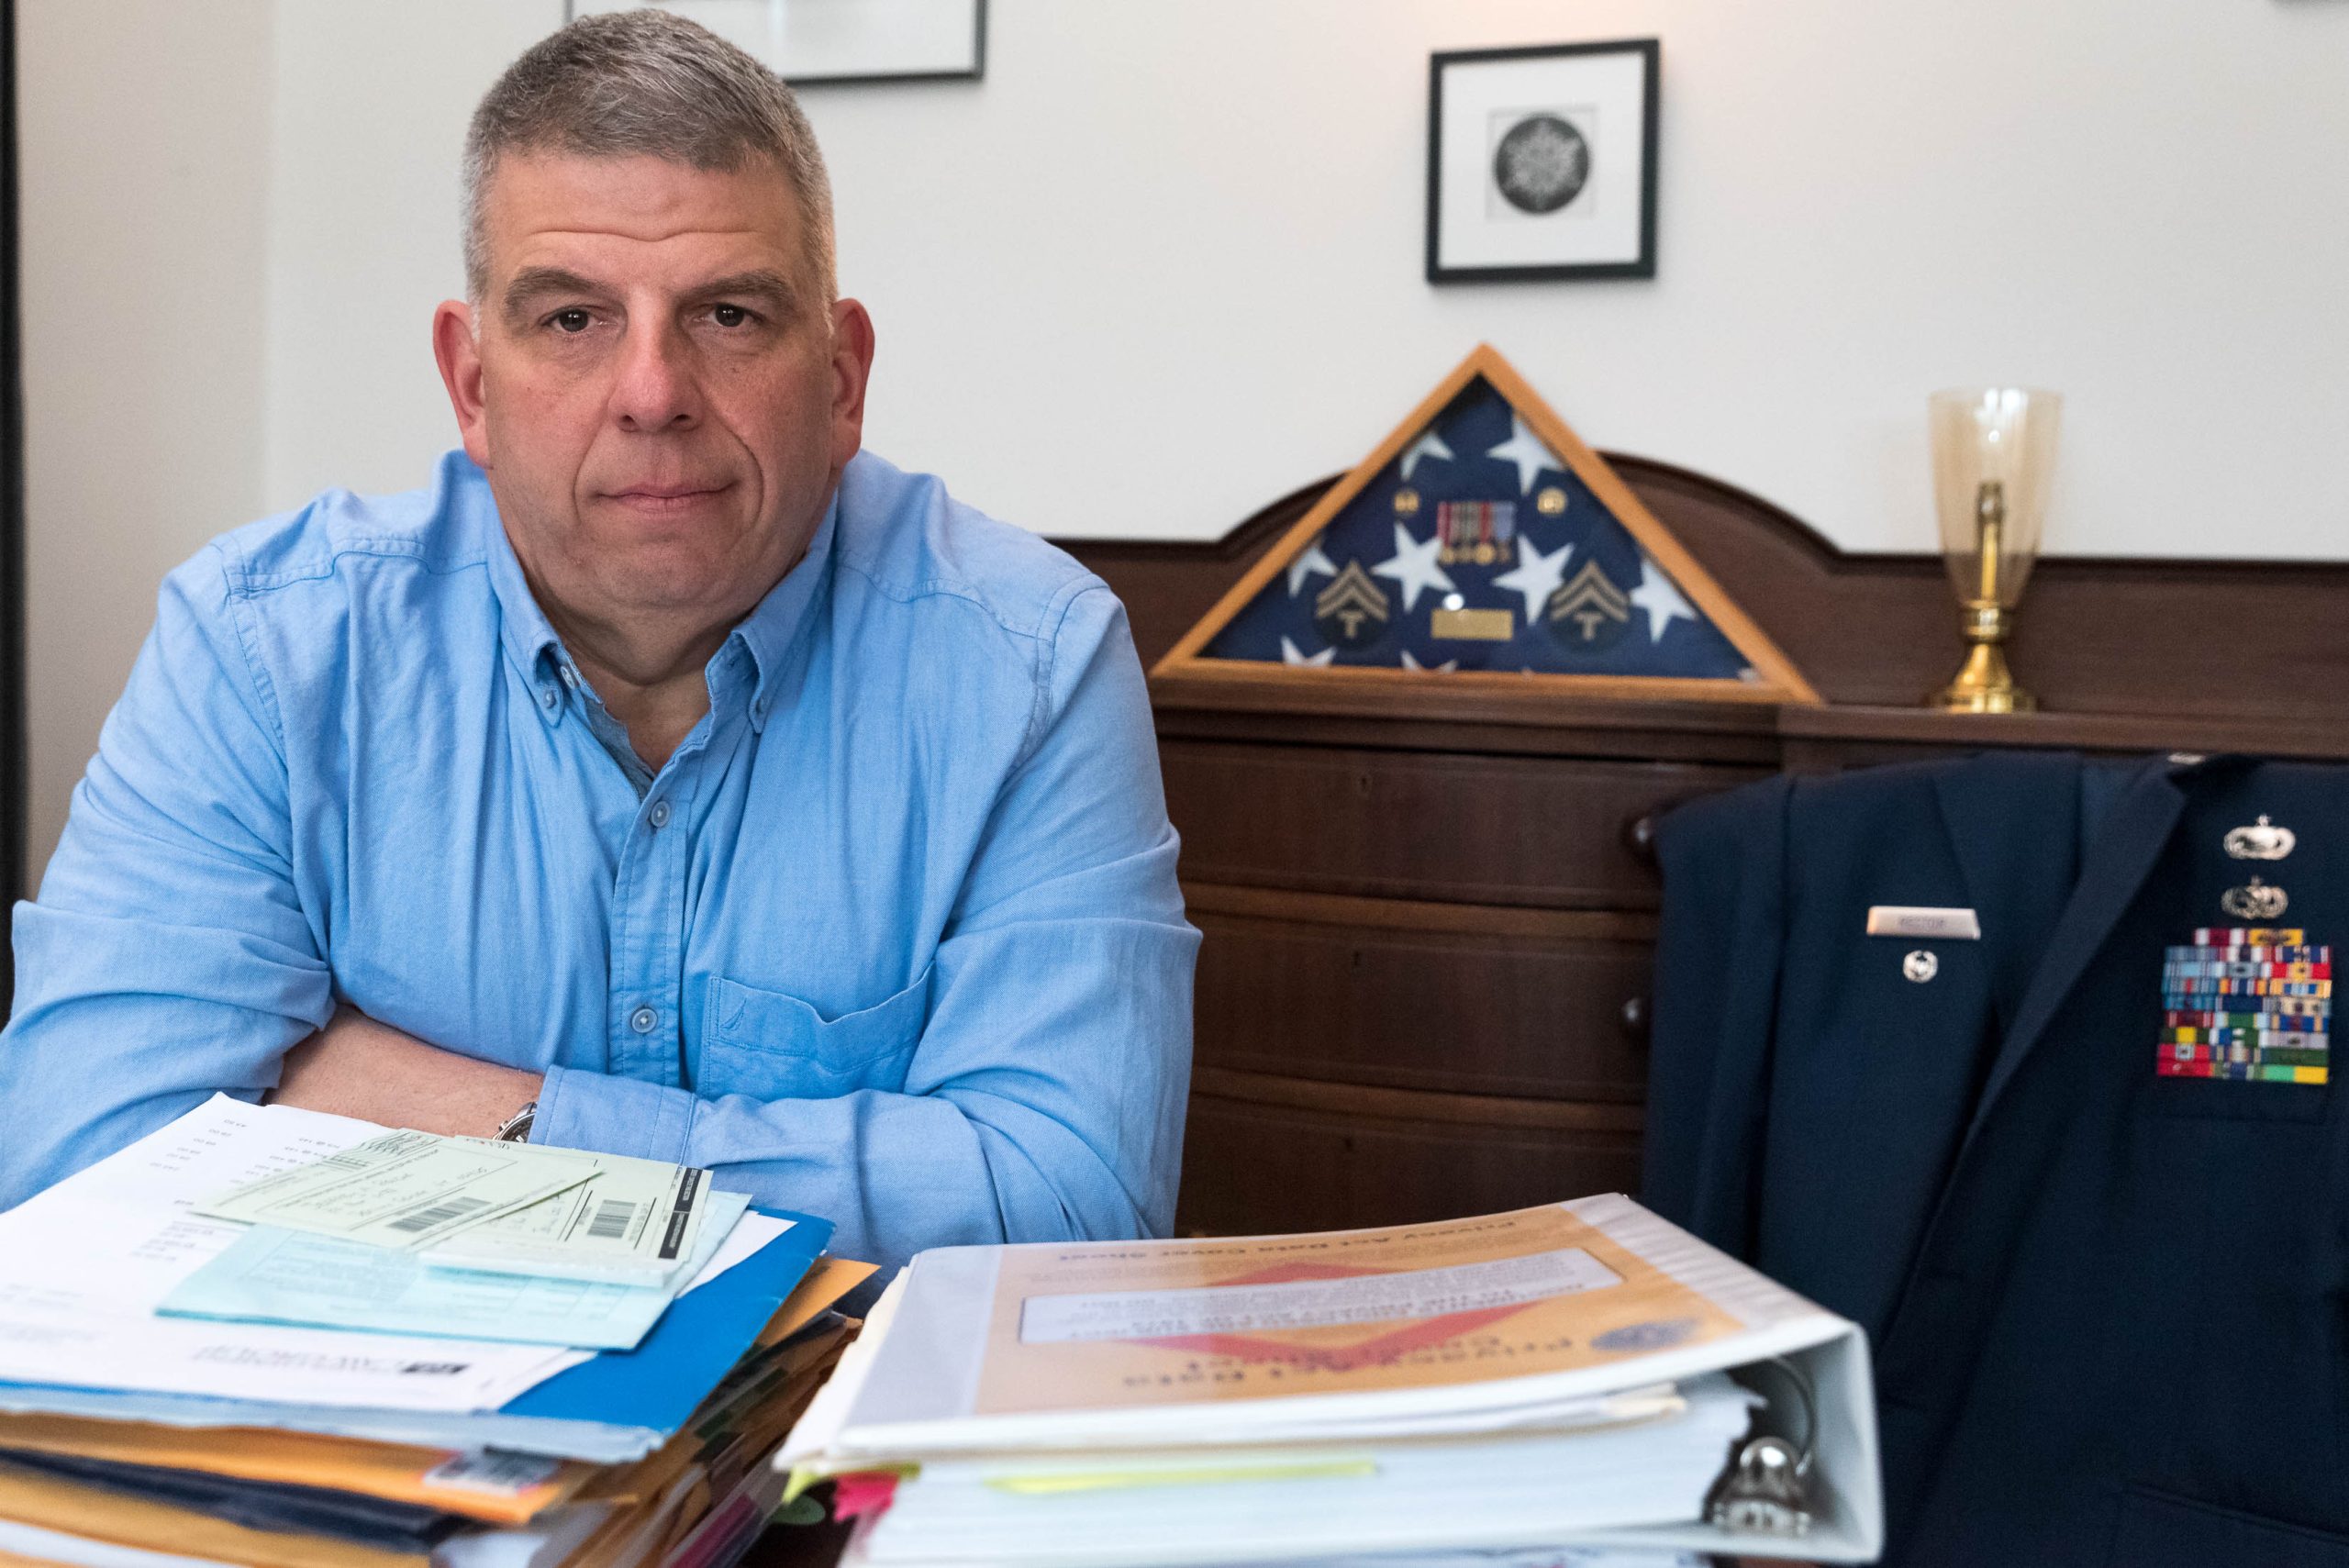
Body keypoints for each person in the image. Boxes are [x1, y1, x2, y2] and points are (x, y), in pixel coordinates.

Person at [0, 12, 1197, 1277]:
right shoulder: (262, 652)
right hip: (376, 1453)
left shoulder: (1027, 660)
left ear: (842, 378)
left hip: (834, 1458)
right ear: (472, 383)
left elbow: (1073, 1215)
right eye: (572, 318)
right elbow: (79, 1177)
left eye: (728, 314)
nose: (652, 391)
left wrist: (479, 1114)